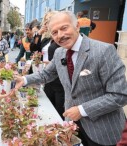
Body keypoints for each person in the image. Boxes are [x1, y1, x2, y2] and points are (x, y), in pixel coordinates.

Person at [14, 11, 127, 146]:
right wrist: (24, 79)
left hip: (102, 130)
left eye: (64, 28)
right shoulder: (59, 52)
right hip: (71, 128)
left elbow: (119, 95)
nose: (60, 35)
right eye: (55, 32)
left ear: (77, 26)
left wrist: (82, 110)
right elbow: (46, 74)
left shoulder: (104, 51)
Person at [30, 12, 65, 119]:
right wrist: (39, 33)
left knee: (59, 108)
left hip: (59, 78)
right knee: (48, 105)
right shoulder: (46, 39)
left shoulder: (61, 38)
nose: (47, 22)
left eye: (50, 19)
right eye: (46, 20)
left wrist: (53, 64)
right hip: (45, 75)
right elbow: (33, 48)